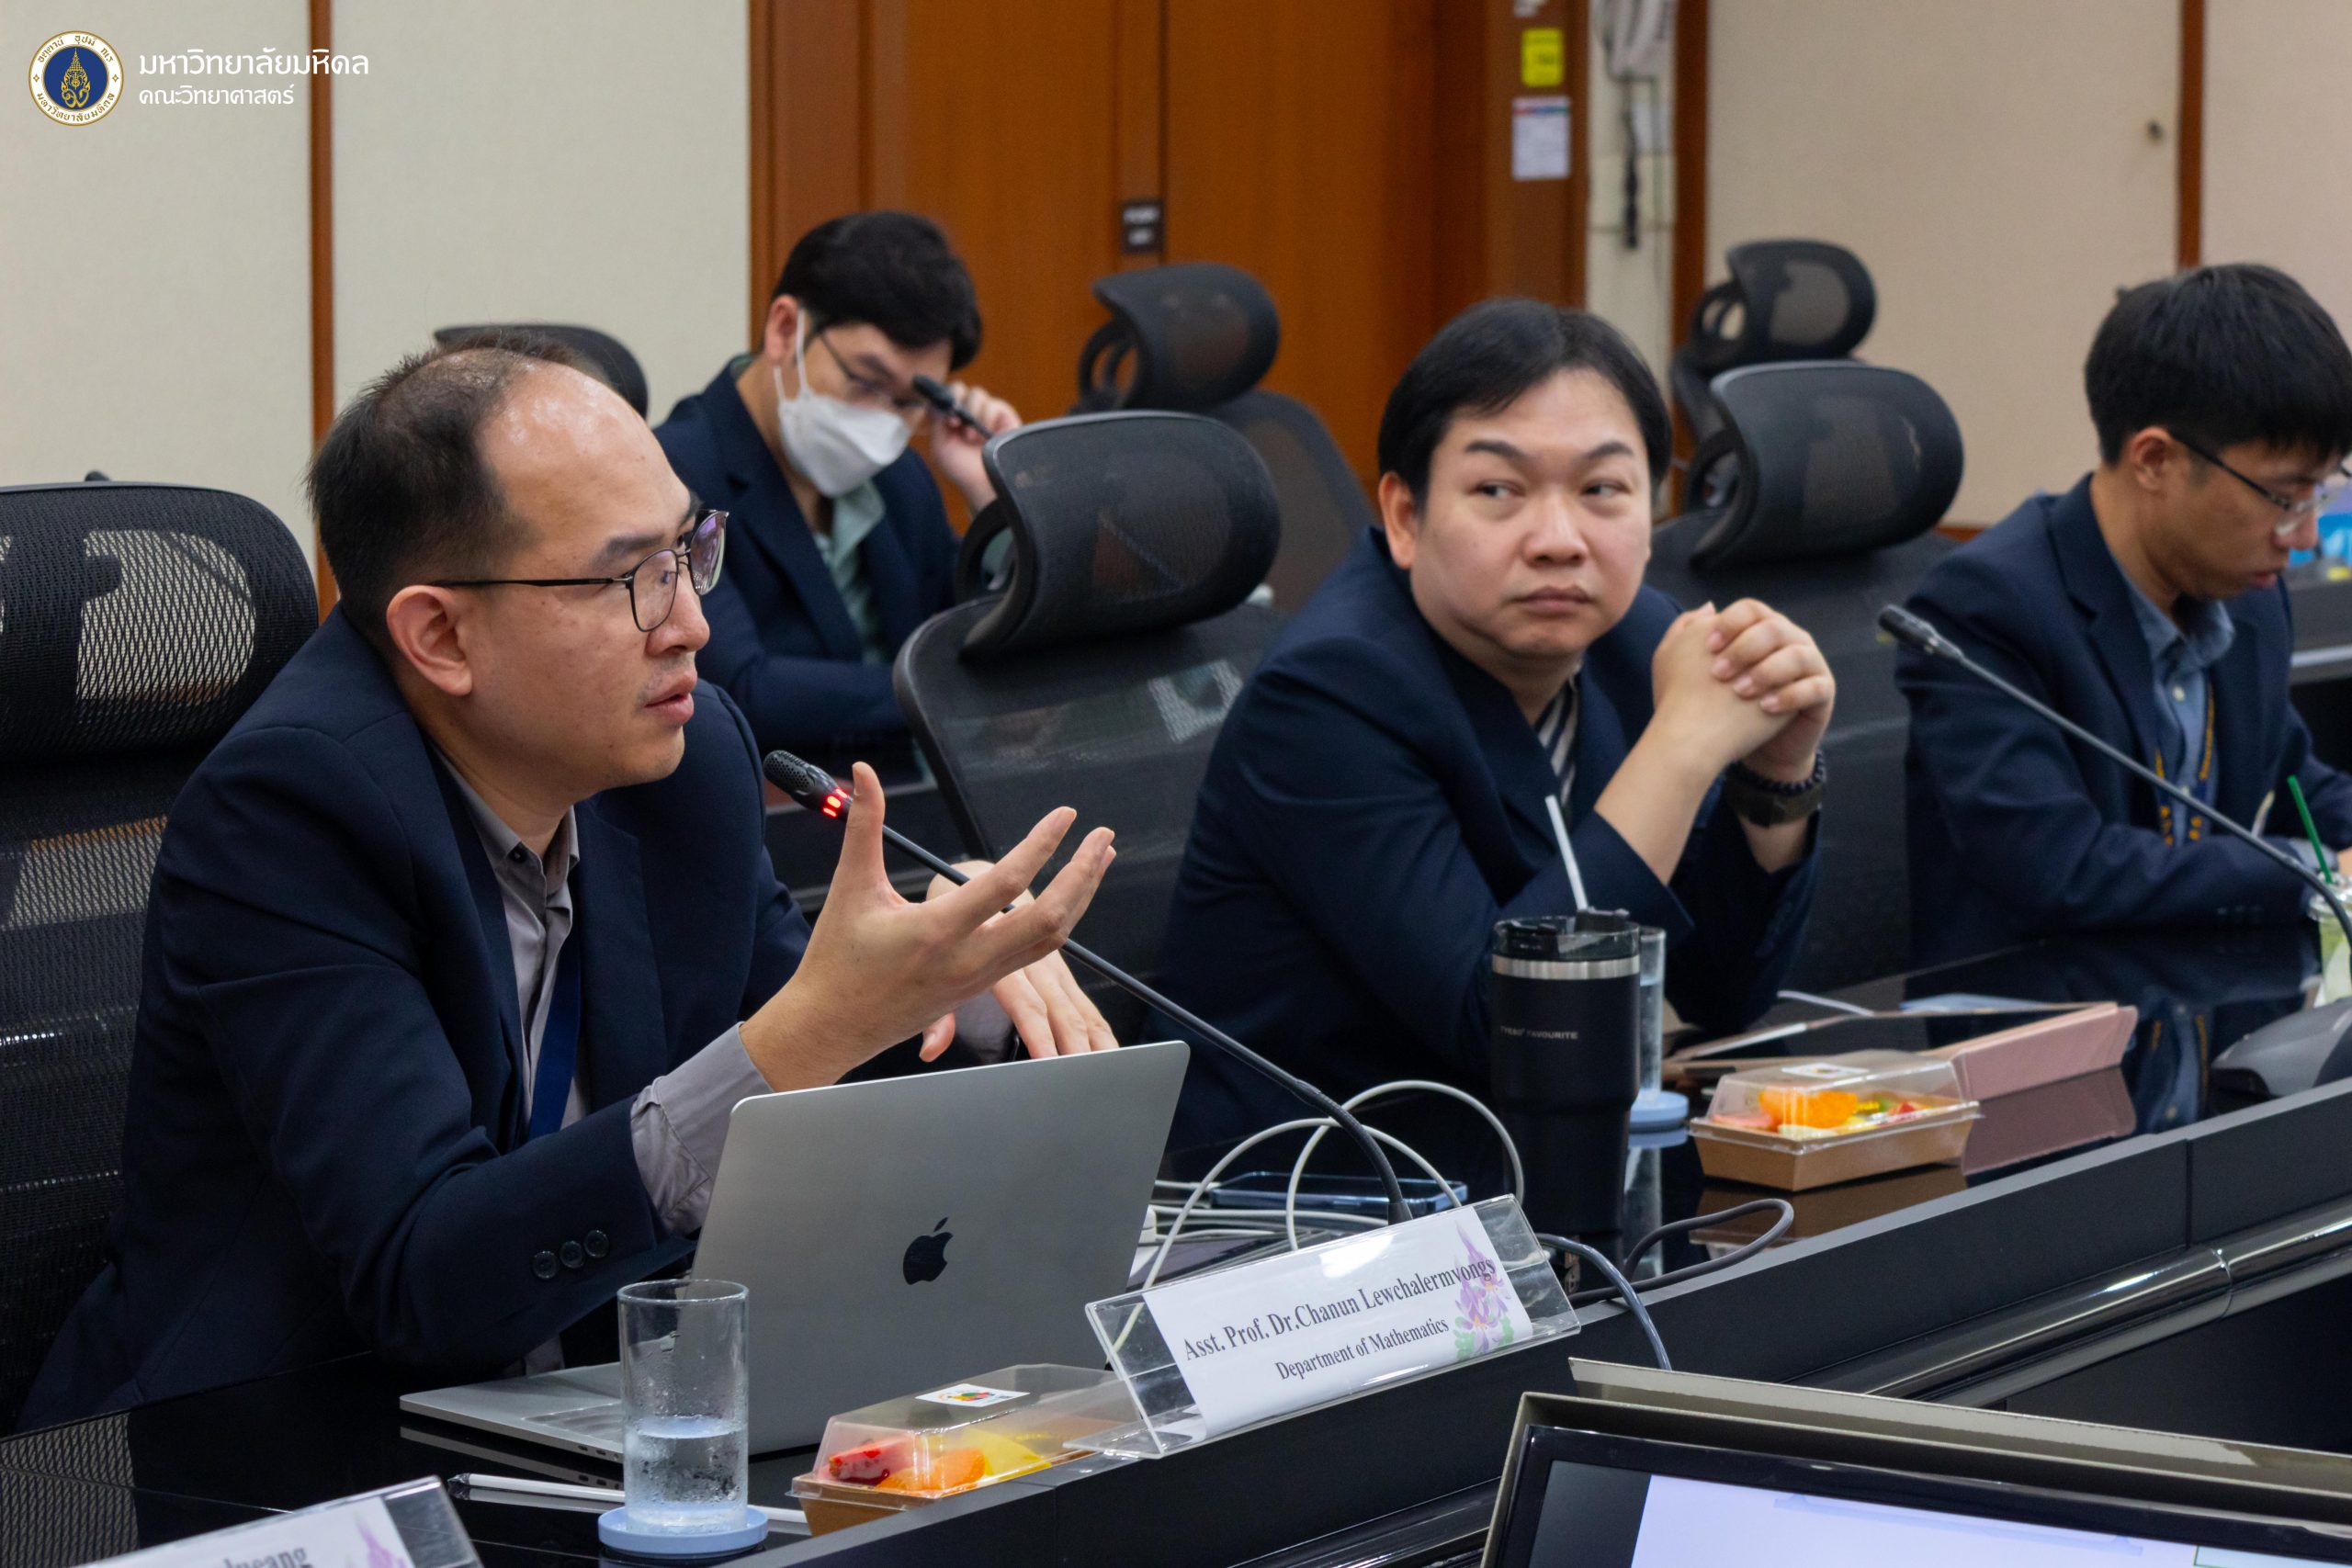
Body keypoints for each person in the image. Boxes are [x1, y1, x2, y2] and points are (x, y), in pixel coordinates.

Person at [22, 336, 1115, 1426]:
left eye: (690, 550)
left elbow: (815, 1080)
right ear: (440, 636)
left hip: (599, 1406)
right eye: (629, 579)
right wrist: (803, 1037)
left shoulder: (685, 765)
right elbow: (421, 1278)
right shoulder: (289, 813)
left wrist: (947, 976)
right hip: (274, 1442)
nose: (690, 624)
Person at [1154, 299, 1829, 1163]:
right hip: (1317, 1200)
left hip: (1533, 1174)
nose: (1558, 540)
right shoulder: (1328, 693)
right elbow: (1511, 1028)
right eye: (1498, 491)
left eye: (1602, 490)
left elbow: (1721, 994)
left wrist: (1774, 779)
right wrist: (1684, 749)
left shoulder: (1640, 645)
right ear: (1406, 517)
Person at [1898, 264, 2352, 966]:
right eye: (2286, 497)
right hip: (2041, 1013)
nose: (2305, 537)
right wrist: (2313, 874)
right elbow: (2058, 866)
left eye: (2320, 494)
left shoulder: (2252, 598)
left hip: (2206, 1000)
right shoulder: (1986, 606)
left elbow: (2290, 778)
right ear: (2155, 460)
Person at [656, 211, 1019, 767]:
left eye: (910, 402)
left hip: (915, 789)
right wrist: (944, 689)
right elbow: (741, 688)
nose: (883, 420)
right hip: (777, 799)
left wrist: (993, 501)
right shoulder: (673, 474)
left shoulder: (899, 476)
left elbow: (979, 638)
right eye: (867, 381)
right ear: (785, 330)